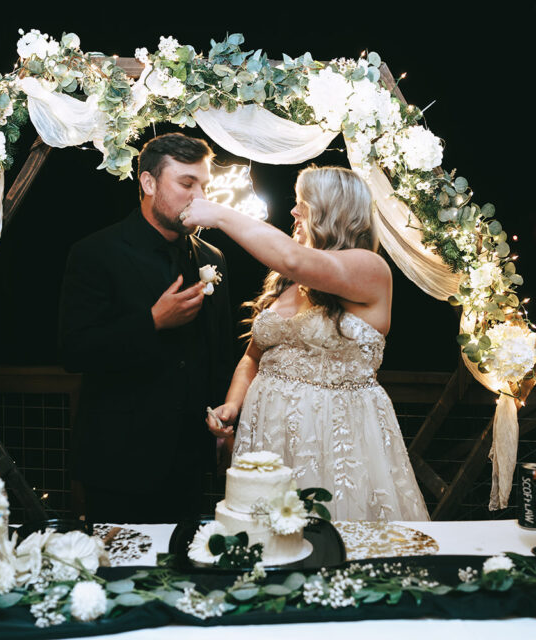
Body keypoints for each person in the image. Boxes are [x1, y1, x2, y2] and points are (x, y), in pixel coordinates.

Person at [181, 166, 430, 521]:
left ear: (334, 212)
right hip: (266, 434)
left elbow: (295, 258)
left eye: (303, 204)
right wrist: (233, 405)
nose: (294, 212)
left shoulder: (370, 268)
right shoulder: (286, 281)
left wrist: (220, 214)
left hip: (334, 435)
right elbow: (254, 357)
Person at [59, 133, 234, 523]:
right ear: (149, 183)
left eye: (204, 185)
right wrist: (152, 321)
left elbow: (220, 352)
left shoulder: (213, 258)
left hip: (191, 460)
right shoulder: (95, 253)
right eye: (187, 183)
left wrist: (225, 428)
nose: (199, 197)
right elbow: (75, 350)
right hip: (120, 460)